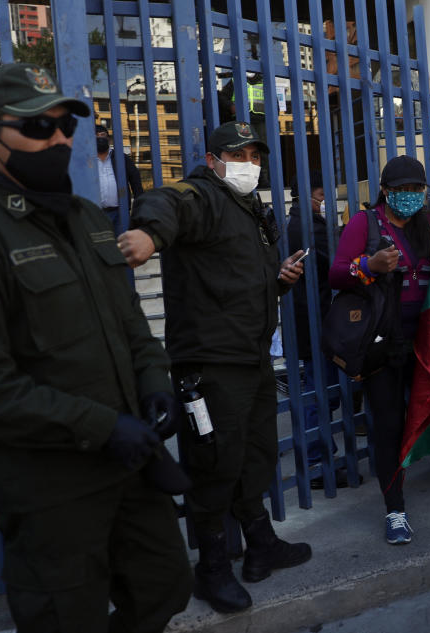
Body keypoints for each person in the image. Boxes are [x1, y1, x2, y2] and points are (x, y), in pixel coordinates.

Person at [0, 62, 192, 632]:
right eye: (37, 128)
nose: (58, 139)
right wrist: (102, 426)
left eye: (63, 125)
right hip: (51, 488)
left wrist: (154, 382)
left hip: (130, 466)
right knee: (66, 618)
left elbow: (130, 322)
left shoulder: (83, 217)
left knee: (165, 583)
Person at [117, 120, 310, 614]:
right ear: (214, 159)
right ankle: (212, 568)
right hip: (209, 362)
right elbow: (164, 202)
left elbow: (241, 280)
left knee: (256, 455)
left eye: (256, 155)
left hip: (251, 356)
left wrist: (280, 280)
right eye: (239, 155)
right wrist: (148, 234)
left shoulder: (249, 209)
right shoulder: (200, 196)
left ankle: (260, 544)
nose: (250, 164)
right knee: (213, 464)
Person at [329, 155, 430, 542]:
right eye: (400, 190)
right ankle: (395, 508)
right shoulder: (363, 224)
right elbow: (336, 273)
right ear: (384, 191)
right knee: (388, 425)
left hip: (427, 335)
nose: (409, 197)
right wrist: (369, 264)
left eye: (416, 189)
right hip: (382, 340)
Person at [287, 170, 352, 489]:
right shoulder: (308, 226)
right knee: (320, 391)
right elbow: (339, 258)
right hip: (315, 320)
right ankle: (316, 462)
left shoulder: (297, 220)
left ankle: (319, 456)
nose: (328, 202)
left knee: (322, 389)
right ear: (311, 196)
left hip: (311, 316)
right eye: (324, 197)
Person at [95, 123, 143, 232]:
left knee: (122, 246)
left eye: (102, 135)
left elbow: (135, 180)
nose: (99, 138)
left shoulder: (121, 158)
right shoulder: (87, 160)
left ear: (108, 138)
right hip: (95, 213)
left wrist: (140, 205)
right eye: (96, 135)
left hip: (120, 213)